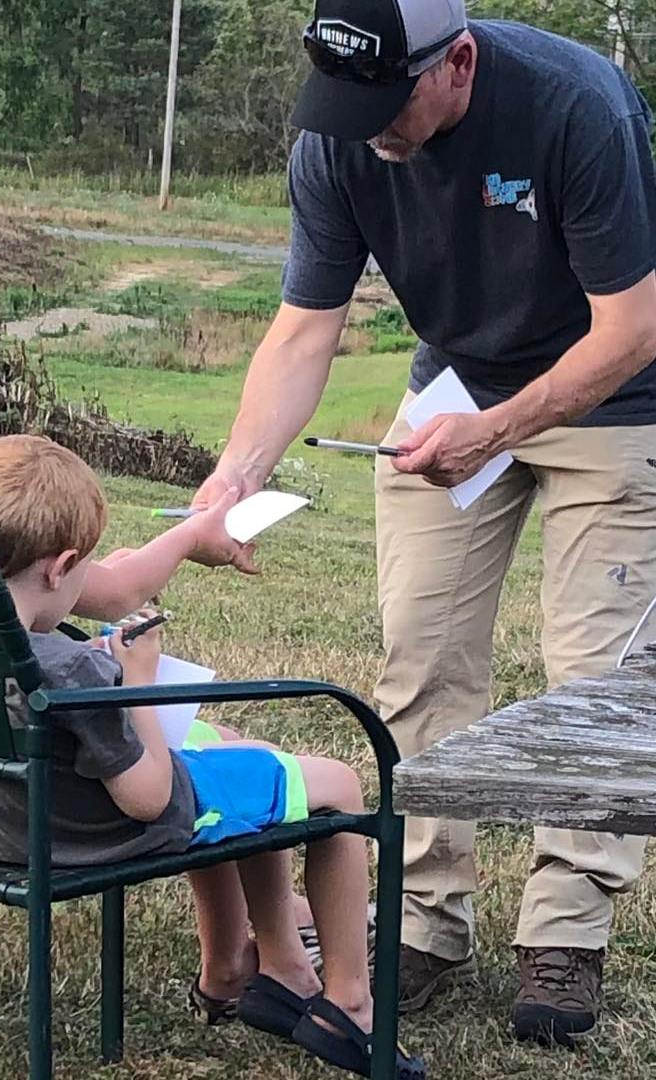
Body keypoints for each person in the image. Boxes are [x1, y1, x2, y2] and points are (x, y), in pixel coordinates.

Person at [192, 0, 656, 1047]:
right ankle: (424, 916)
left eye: (387, 104)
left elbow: (633, 327)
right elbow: (305, 328)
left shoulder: (572, 104)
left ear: (459, 60)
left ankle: (567, 936)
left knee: (592, 680)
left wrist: (499, 430)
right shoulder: (340, 136)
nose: (370, 131)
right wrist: (234, 473)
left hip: (619, 396)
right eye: (345, 107)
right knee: (420, 651)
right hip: (454, 390)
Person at [0, 290, 378, 1011]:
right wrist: (182, 555)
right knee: (223, 757)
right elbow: (110, 602)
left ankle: (246, 957)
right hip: (35, 794)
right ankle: (334, 993)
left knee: (216, 739)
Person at [0, 433, 424, 1078]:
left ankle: (274, 969)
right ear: (60, 565)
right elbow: (150, 795)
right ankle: (349, 1004)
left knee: (258, 763)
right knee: (337, 784)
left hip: (3, 826)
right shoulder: (70, 670)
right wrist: (139, 681)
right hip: (102, 833)